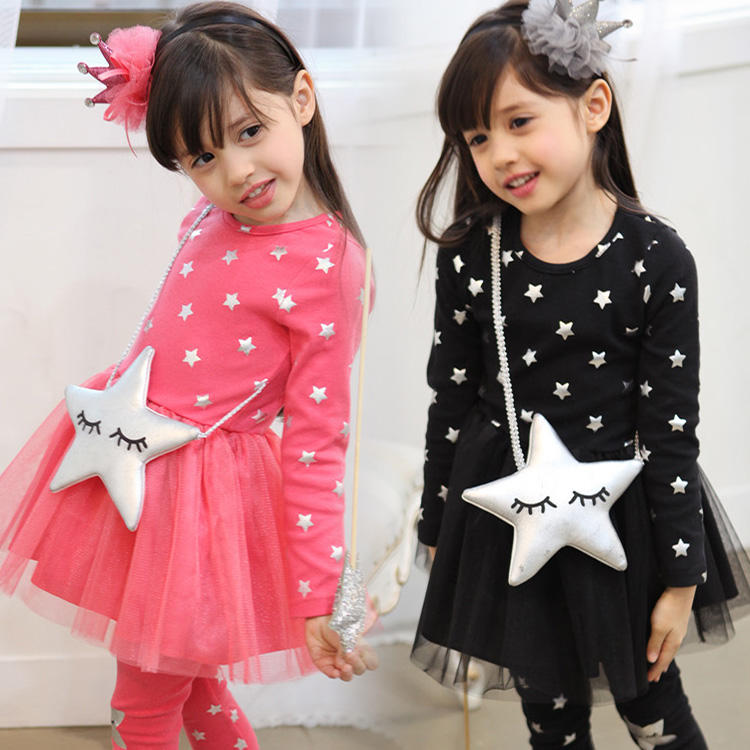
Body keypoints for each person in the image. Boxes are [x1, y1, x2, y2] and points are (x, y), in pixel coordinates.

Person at [0, 3, 376, 748]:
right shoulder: (211, 218)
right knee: (191, 687)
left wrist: (319, 594)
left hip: (201, 514)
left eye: (250, 132)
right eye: (202, 158)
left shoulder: (329, 267)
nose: (235, 172)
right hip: (128, 467)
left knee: (143, 702)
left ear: (301, 99)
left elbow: (316, 443)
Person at [411, 1, 750, 748]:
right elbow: (452, 401)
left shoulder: (657, 258)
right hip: (511, 521)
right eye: (477, 137)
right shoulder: (471, 255)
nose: (499, 153)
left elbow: (671, 430)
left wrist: (681, 578)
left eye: (519, 121)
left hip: (624, 525)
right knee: (550, 716)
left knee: (652, 707)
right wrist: (438, 525)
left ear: (593, 106)